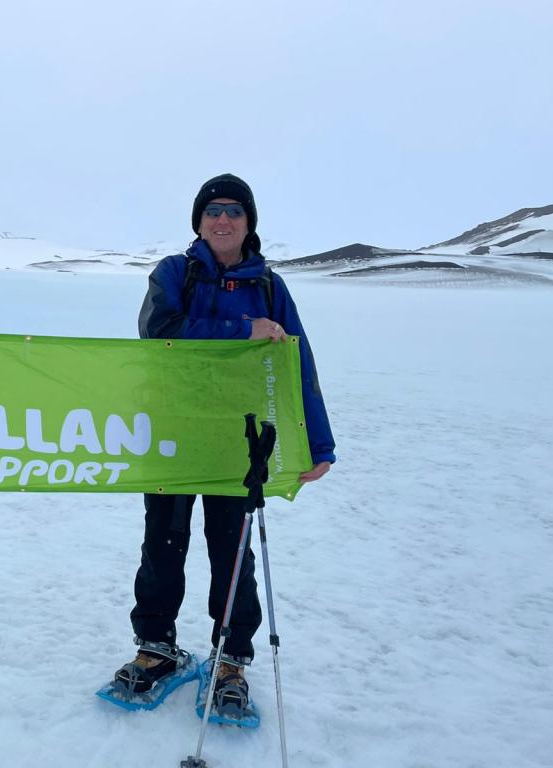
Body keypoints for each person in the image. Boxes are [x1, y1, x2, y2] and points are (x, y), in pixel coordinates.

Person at [116, 174, 335, 713]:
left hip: (237, 440)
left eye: (234, 211)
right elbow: (161, 330)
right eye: (212, 210)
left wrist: (318, 443)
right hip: (172, 432)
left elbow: (297, 363)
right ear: (197, 221)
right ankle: (156, 647)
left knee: (232, 550)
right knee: (162, 546)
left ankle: (232, 656)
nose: (222, 219)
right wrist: (243, 331)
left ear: (249, 224)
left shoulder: (270, 287)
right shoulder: (175, 273)